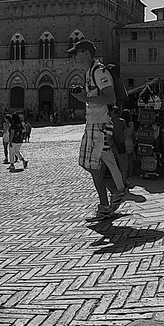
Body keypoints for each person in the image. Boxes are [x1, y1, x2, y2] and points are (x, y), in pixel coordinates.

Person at [70, 39, 123, 215]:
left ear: (86, 53)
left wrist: (84, 99)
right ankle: (113, 195)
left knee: (91, 165)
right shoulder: (90, 72)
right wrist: (82, 94)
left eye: (76, 53)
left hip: (99, 123)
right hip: (93, 122)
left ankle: (108, 202)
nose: (74, 57)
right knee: (89, 164)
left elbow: (110, 98)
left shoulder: (99, 72)